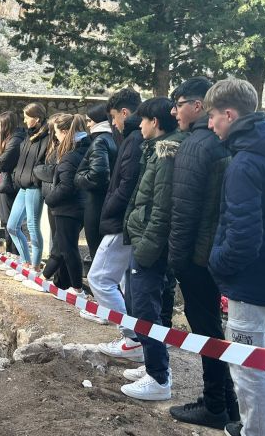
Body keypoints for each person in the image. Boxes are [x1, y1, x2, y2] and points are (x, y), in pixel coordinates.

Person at [205, 79, 265, 436]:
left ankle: (255, 431)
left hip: (251, 281)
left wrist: (217, 264)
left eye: (213, 116)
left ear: (229, 114)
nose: (211, 124)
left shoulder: (245, 163)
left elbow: (243, 238)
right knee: (255, 361)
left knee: (247, 366)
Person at [166, 77, 239, 429]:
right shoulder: (220, 141)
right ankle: (227, 406)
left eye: (179, 103)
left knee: (208, 332)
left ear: (197, 106)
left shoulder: (197, 144)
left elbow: (184, 208)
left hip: (195, 256)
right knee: (213, 331)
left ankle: (216, 406)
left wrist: (177, 259)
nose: (173, 110)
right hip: (211, 252)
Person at [121, 96, 185, 401]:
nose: (140, 126)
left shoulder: (166, 156)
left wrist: (146, 247)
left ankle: (159, 378)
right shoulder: (154, 151)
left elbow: (162, 209)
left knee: (146, 308)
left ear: (155, 122)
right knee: (137, 304)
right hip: (143, 239)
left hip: (150, 245)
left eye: (143, 121)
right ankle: (151, 365)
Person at [87, 88, 144, 351]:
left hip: (120, 221)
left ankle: (132, 338)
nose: (113, 124)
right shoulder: (132, 138)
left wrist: (109, 209)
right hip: (125, 220)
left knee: (99, 278)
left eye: (113, 117)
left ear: (124, 112)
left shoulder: (132, 139)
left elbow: (126, 183)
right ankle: (134, 338)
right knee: (121, 281)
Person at [41, 114, 90, 295]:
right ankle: (45, 278)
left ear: (63, 132)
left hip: (68, 208)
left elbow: (67, 186)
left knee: (68, 249)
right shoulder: (82, 149)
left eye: (56, 133)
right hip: (75, 207)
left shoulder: (70, 156)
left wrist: (49, 199)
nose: (55, 137)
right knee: (62, 247)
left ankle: (77, 288)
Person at [6, 103, 50, 275]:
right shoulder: (27, 136)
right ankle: (26, 262)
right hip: (23, 186)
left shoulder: (46, 138)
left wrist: (34, 178)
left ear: (37, 118)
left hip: (34, 187)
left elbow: (44, 164)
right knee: (12, 226)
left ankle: (35, 267)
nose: (24, 120)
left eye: (27, 116)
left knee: (32, 226)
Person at [75, 103, 117, 263]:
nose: (87, 125)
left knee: (97, 254)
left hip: (95, 202)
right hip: (106, 200)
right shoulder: (113, 138)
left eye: (89, 121)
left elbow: (98, 175)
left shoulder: (100, 141)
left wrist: (78, 179)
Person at [0, 111, 25, 257]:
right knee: (5, 221)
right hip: (2, 182)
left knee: (11, 222)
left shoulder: (15, 140)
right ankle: (9, 252)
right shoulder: (7, 139)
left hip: (10, 185)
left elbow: (0, 162)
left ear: (6, 125)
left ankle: (15, 254)